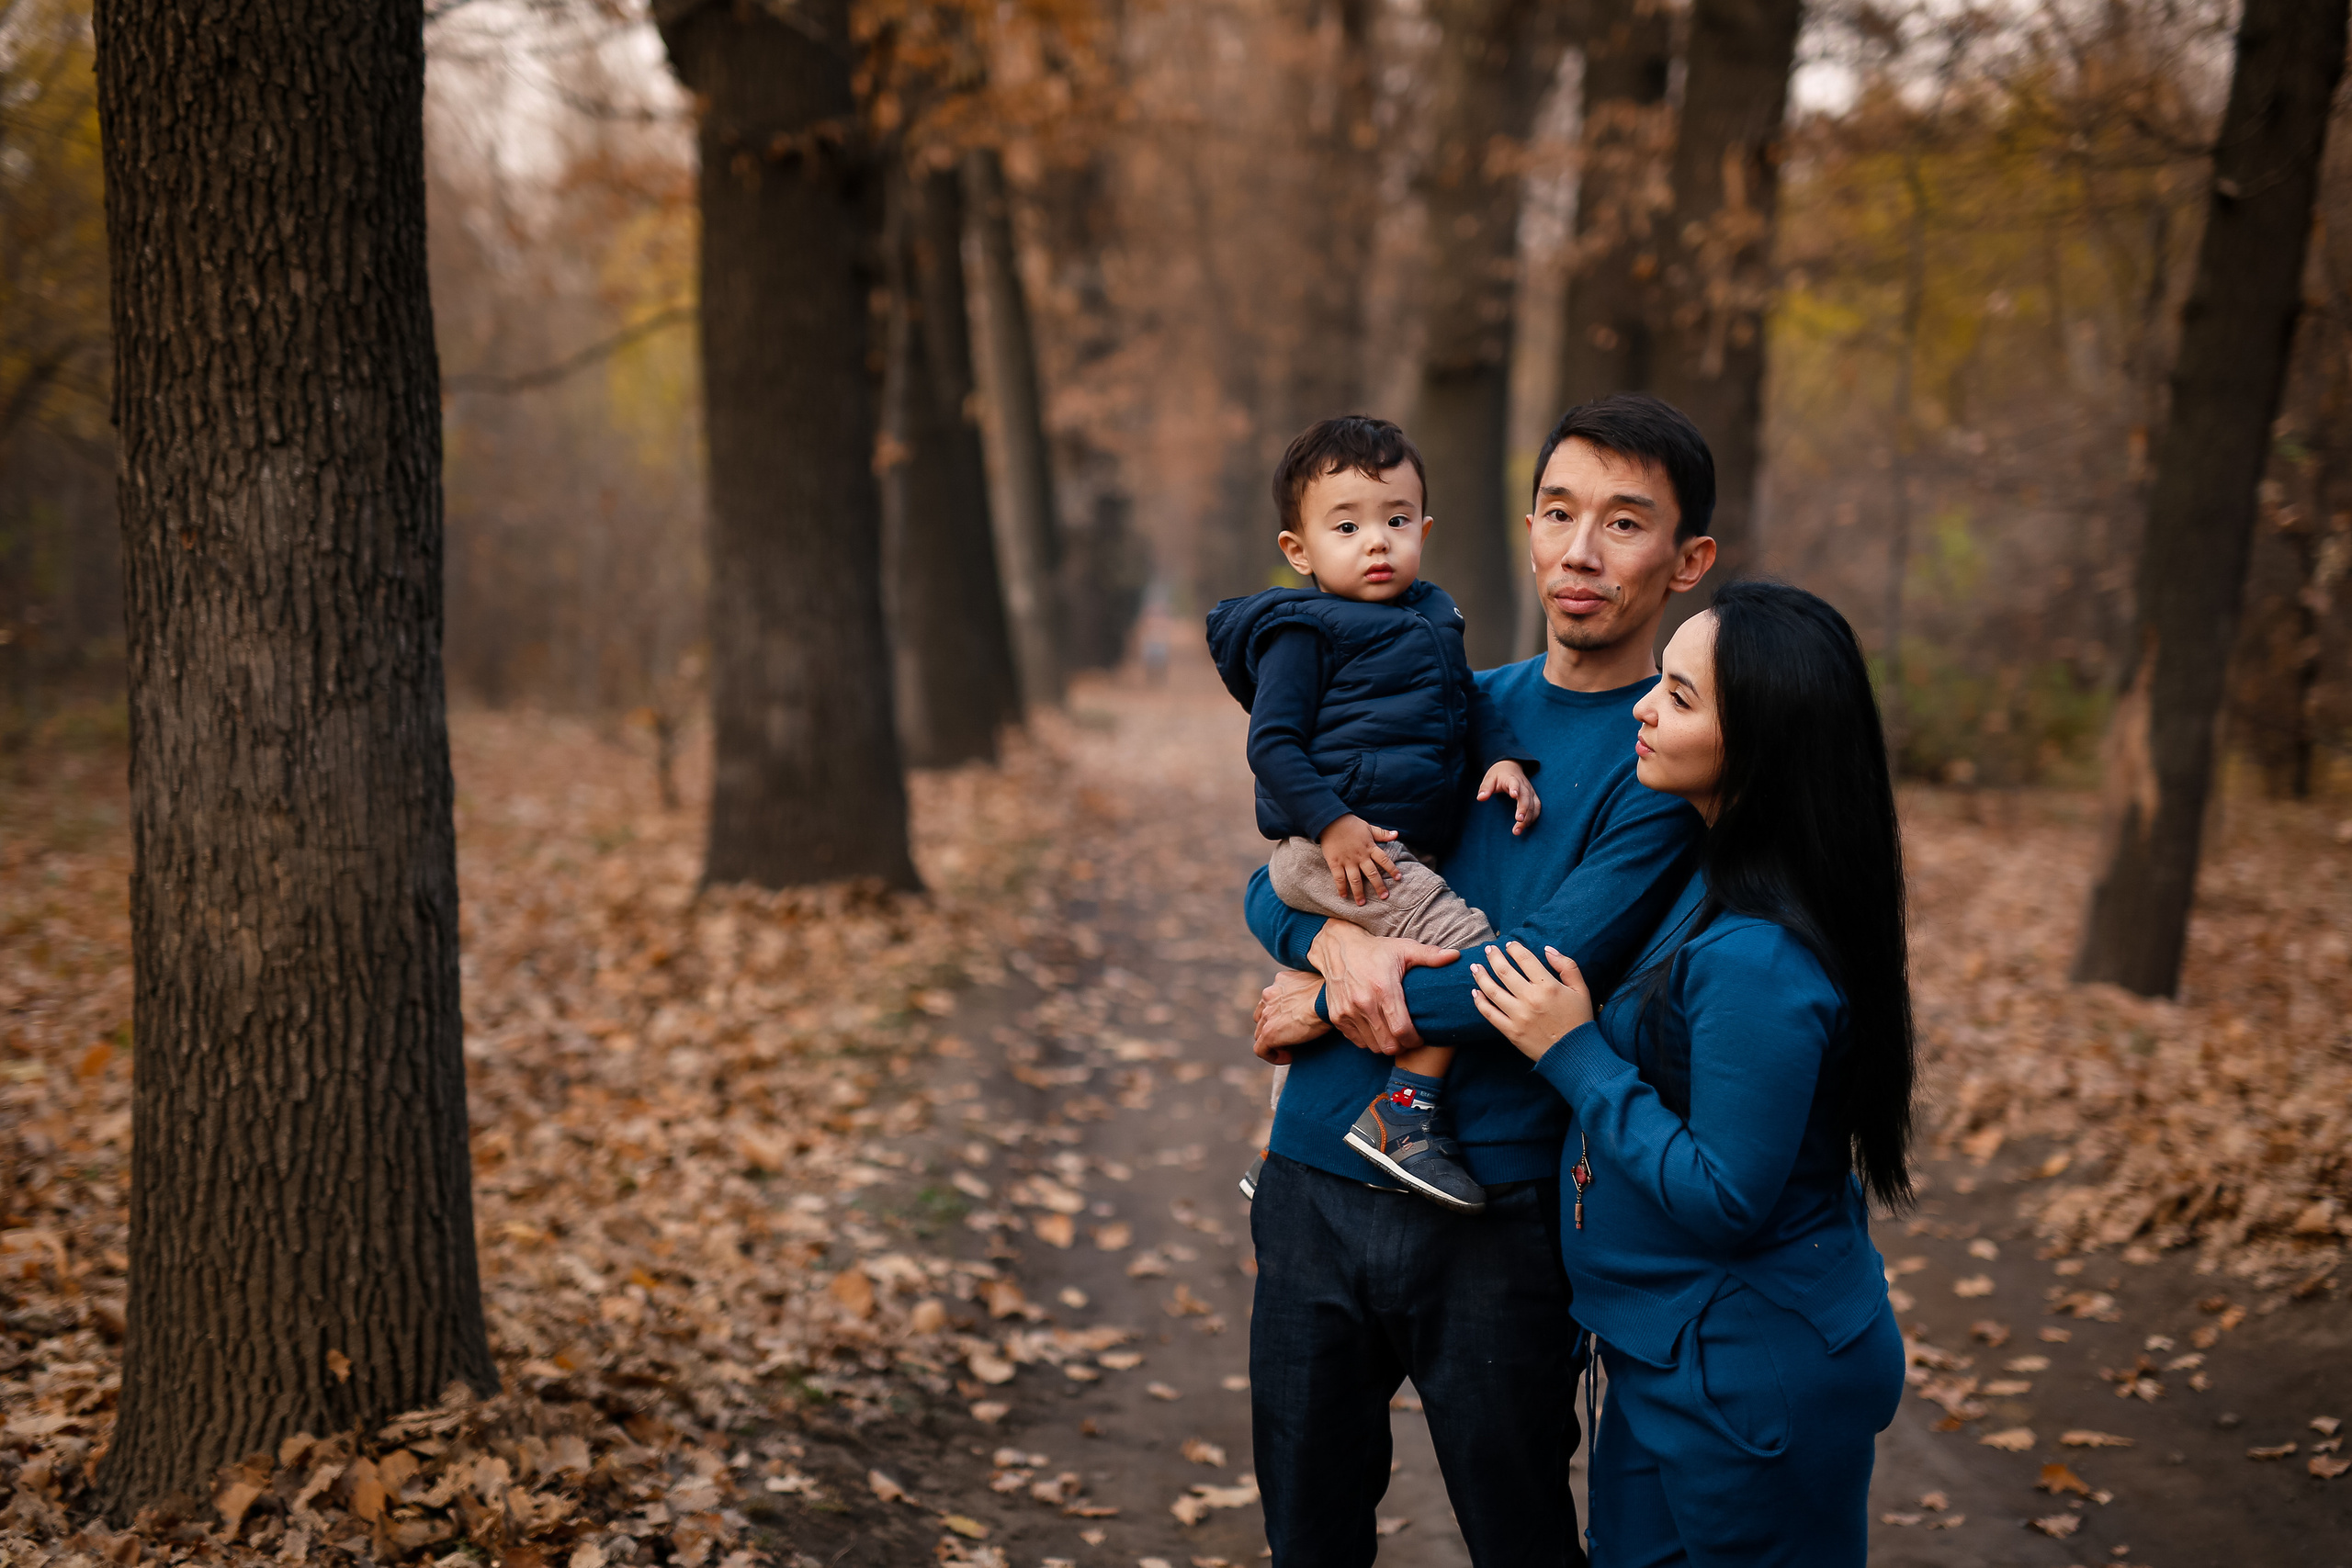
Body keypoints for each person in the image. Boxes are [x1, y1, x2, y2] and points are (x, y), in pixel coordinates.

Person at [1246, 394, 1717, 1568]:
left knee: (1519, 1538)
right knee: (1306, 1535)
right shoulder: (1455, 695)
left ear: (1687, 561)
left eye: (1622, 523)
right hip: (1312, 1175)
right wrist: (1326, 950)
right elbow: (1273, 882)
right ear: (1524, 526)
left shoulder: (1670, 757)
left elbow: (1542, 971)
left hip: (1497, 1209)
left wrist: (1322, 1004)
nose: (1578, 551)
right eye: (1558, 512)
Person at [1465, 580, 1913, 1567]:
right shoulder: (1708, 876)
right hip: (1668, 1355)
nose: (1641, 707)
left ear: (1757, 742)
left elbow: (1726, 1197)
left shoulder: (1758, 958)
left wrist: (1570, 1051)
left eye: (1677, 695)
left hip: (1747, 1375)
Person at [1207, 414, 1544, 1213]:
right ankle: (1404, 1114)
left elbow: (1466, 705)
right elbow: (1274, 746)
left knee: (1320, 983)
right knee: (1469, 949)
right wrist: (1333, 823)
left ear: (1423, 528)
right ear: (1300, 551)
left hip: (1379, 847)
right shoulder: (1302, 632)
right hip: (1339, 846)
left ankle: (1281, 1151)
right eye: (1348, 525)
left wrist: (1500, 758)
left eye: (1396, 521)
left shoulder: (1434, 620)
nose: (1377, 542)